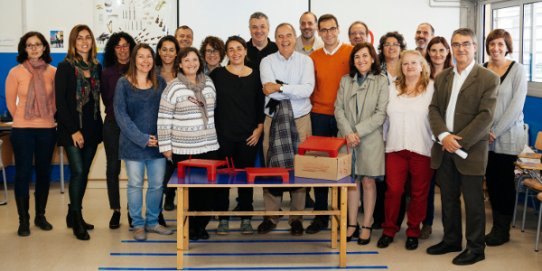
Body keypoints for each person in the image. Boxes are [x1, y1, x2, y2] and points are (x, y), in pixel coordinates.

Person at [427, 28, 499, 265]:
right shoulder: (443, 76)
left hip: (471, 151)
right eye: (456, 44)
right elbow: (434, 109)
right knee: (448, 198)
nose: (461, 49)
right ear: (451, 48)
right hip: (444, 147)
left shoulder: (488, 78)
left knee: (473, 201)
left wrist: (457, 140)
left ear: (475, 47)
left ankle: (476, 248)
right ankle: (451, 240)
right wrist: (444, 136)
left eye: (466, 44)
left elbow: (485, 116)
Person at [257, 23, 314, 236]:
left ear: (294, 37)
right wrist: (290, 89)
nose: (285, 40)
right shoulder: (267, 61)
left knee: (300, 167)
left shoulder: (306, 61)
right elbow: (268, 90)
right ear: (275, 39)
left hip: (300, 119)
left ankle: (296, 217)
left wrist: (281, 86)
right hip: (273, 119)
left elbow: (307, 90)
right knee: (271, 166)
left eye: (288, 35)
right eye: (280, 36)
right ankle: (271, 215)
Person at [158, 47, 219, 241]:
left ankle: (201, 225)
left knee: (207, 192)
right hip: (184, 149)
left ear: (199, 62)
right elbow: (164, 118)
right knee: (190, 192)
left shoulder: (209, 83)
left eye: (194, 60)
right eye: (186, 61)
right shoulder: (173, 87)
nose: (191, 63)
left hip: (209, 147)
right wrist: (166, 147)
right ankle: (190, 227)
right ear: (180, 64)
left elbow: (213, 110)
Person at [376, 50, 434, 250]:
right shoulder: (392, 88)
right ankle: (389, 229)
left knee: (419, 193)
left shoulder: (431, 88)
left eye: (414, 63)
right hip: (394, 147)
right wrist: (383, 141)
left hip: (422, 148)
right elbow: (384, 116)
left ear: (421, 66)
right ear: (401, 67)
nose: (409, 66)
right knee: (393, 190)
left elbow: (437, 119)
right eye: (405, 63)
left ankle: (413, 231)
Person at [114, 43, 172, 241]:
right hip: (133, 144)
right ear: (134, 60)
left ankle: (153, 222)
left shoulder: (161, 82)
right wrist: (143, 139)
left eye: (149, 57)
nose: (145, 61)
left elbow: (167, 112)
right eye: (141, 56)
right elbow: (121, 115)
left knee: (157, 185)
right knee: (135, 184)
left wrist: (163, 139)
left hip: (158, 145)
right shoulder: (123, 83)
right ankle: (138, 224)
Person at [334, 42, 388, 244]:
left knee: (367, 181)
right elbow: (338, 109)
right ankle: (351, 224)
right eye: (357, 57)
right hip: (347, 138)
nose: (361, 60)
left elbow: (380, 113)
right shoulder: (346, 81)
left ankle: (366, 223)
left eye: (365, 56)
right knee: (352, 182)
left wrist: (358, 132)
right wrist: (349, 132)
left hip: (370, 138)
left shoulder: (381, 81)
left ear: (373, 58)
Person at [210, 36, 264, 235]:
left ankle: (245, 218)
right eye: (231, 49)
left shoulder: (256, 75)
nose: (235, 52)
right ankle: (223, 219)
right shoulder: (217, 75)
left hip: (249, 137)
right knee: (223, 181)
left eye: (239, 48)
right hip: (223, 136)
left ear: (245, 51)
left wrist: (259, 129)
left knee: (245, 180)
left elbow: (260, 105)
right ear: (226, 53)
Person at [6, 31, 56, 237]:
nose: (34, 48)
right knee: (23, 173)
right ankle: (23, 220)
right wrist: (23, 119)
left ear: (44, 47)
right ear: (24, 49)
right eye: (29, 45)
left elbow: (55, 101)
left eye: (38, 44)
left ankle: (40, 216)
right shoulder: (15, 72)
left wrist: (47, 117)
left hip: (47, 129)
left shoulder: (53, 72)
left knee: (44, 173)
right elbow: (11, 103)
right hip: (22, 129)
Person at [55, 24, 103, 240]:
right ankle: (76, 218)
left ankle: (73, 212)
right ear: (73, 42)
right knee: (77, 171)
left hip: (92, 128)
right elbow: (61, 103)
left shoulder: (96, 67)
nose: (84, 41)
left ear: (93, 42)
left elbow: (96, 100)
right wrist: (74, 131)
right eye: (79, 38)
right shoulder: (65, 67)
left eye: (88, 38)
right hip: (71, 129)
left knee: (83, 174)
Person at [307, 14, 353, 234]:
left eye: (331, 29)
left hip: (344, 116)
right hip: (320, 115)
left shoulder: (351, 52)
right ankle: (321, 214)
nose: (328, 33)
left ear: (338, 29)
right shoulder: (313, 57)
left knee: (344, 166)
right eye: (323, 30)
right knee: (321, 167)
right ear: (318, 32)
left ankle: (343, 215)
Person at [483, 29, 527, 246]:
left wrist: (495, 131)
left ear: (507, 46)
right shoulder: (483, 69)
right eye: (492, 44)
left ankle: (502, 230)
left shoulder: (518, 70)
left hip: (507, 137)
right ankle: (495, 226)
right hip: (485, 138)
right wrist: (484, 130)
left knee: (504, 184)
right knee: (491, 181)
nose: (495, 48)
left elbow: (515, 106)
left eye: (500, 44)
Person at [101, 31, 136, 229]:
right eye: (118, 46)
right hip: (113, 125)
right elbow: (107, 100)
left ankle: (133, 210)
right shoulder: (107, 73)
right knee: (113, 168)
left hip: (133, 126)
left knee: (134, 171)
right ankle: (116, 210)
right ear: (113, 50)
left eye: (126, 46)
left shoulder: (139, 69)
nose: (123, 50)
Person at [420, 36, 453, 239]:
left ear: (448, 52)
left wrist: (445, 135)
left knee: (449, 187)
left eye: (441, 50)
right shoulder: (423, 76)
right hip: (426, 135)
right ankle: (427, 222)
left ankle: (451, 230)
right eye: (433, 50)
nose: (437, 54)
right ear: (428, 53)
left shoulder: (453, 75)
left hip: (449, 136)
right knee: (428, 185)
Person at [373, 31, 407, 229]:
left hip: (401, 129)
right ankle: (379, 217)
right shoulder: (376, 70)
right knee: (379, 177)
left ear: (401, 48)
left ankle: (395, 219)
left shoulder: (408, 69)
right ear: (382, 48)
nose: (391, 47)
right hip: (379, 128)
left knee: (397, 181)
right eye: (387, 44)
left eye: (395, 44)